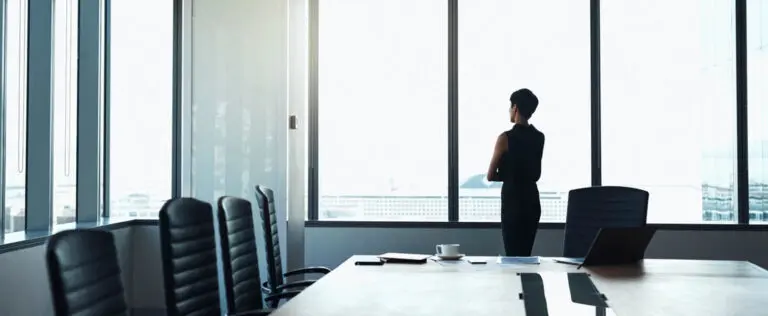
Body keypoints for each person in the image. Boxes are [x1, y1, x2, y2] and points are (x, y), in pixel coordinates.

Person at [486, 88, 545, 256]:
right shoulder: (539, 137)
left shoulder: (505, 138)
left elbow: (490, 175)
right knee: (525, 254)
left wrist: (508, 175)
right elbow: (535, 173)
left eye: (510, 107)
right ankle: (527, 282)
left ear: (516, 108)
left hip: (513, 201)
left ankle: (515, 282)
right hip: (532, 200)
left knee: (512, 254)